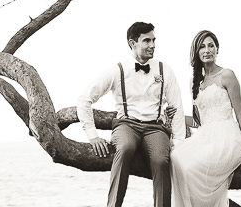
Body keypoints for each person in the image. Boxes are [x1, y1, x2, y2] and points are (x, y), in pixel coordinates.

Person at [78, 21, 186, 207]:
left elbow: (177, 106)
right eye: (146, 41)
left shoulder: (164, 69)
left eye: (154, 40)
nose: (152, 45)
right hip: (126, 125)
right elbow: (84, 99)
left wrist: (179, 142)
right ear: (132, 43)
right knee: (125, 148)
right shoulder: (117, 70)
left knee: (161, 160)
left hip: (155, 127)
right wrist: (93, 136)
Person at [170, 30, 241, 207]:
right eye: (202, 47)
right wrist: (175, 116)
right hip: (205, 137)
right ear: (196, 52)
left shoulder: (227, 75)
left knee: (192, 168)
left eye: (211, 45)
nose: (207, 50)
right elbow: (197, 122)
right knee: (176, 157)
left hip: (227, 138)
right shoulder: (195, 82)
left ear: (217, 49)